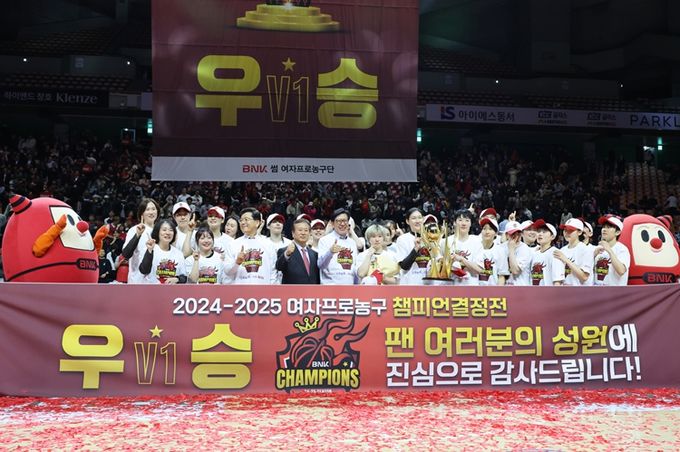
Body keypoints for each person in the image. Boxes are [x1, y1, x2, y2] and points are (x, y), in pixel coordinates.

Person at [223, 207, 278, 284]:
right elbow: (227, 271)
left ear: (257, 223)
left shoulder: (268, 244)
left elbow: (273, 272)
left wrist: (271, 289)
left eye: (246, 219)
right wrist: (236, 263)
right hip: (240, 290)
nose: (243, 222)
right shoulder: (233, 244)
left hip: (263, 290)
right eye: (241, 220)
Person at [120, 198, 159, 283]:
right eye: (147, 209)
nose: (151, 212)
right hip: (137, 280)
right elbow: (126, 254)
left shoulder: (161, 231)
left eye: (153, 209)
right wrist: (138, 235)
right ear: (142, 213)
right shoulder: (134, 230)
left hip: (156, 281)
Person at [139, 219, 187, 284]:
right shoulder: (148, 249)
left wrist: (177, 279)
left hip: (172, 290)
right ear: (157, 232)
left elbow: (184, 278)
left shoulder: (178, 254)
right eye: (164, 230)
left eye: (171, 230)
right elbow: (144, 271)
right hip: (151, 289)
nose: (168, 233)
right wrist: (149, 251)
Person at [317, 208, 358, 284]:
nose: (342, 224)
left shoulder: (352, 242)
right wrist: (330, 252)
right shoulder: (324, 240)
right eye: (339, 221)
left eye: (344, 221)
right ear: (332, 224)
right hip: (330, 287)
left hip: (349, 288)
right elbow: (320, 265)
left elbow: (354, 269)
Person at [444, 209, 483, 285]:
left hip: (471, 288)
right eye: (460, 220)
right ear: (454, 223)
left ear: (470, 223)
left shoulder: (477, 241)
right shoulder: (446, 242)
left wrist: (462, 259)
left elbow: (479, 270)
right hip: (451, 287)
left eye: (467, 220)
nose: (464, 223)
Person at [276, 218, 320, 284]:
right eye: (300, 230)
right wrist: (287, 254)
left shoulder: (314, 254)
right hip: (292, 289)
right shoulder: (284, 251)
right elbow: (279, 267)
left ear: (309, 233)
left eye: (306, 230)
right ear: (293, 233)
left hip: (312, 289)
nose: (303, 233)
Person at [395, 207, 430, 285]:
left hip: (429, 284)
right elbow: (404, 266)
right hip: (410, 284)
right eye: (414, 218)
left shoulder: (431, 238)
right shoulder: (403, 239)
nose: (417, 221)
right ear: (407, 221)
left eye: (420, 218)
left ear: (423, 219)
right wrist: (416, 249)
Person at [593, 215, 630, 286]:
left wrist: (609, 250)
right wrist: (593, 255)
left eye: (608, 227)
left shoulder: (622, 249)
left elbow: (621, 271)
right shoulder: (598, 248)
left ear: (617, 232)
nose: (604, 229)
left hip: (615, 291)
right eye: (603, 227)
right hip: (597, 290)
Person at [554, 218, 592, 286]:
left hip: (580, 290)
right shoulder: (562, 250)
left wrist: (566, 260)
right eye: (565, 230)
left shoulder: (585, 249)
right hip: (564, 290)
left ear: (579, 232)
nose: (566, 233)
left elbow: (584, 277)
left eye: (570, 230)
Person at [528, 220, 564, 286]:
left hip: (549, 292)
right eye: (538, 231)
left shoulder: (555, 253)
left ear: (552, 237)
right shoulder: (534, 254)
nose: (540, 234)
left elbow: (557, 282)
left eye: (544, 232)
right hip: (534, 291)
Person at [475, 217, 506, 286]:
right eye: (484, 229)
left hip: (493, 289)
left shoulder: (500, 251)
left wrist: (498, 291)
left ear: (496, 233)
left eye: (490, 229)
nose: (487, 232)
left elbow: (501, 276)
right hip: (474, 289)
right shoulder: (474, 248)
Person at [499, 220, 532, 286]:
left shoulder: (525, 249)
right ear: (507, 235)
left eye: (518, 234)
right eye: (513, 234)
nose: (516, 237)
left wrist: (511, 249)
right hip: (504, 287)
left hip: (520, 287)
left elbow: (515, 271)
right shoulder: (500, 248)